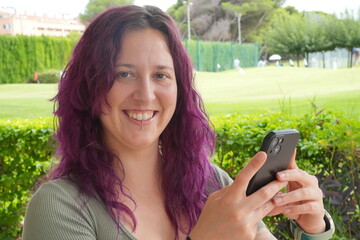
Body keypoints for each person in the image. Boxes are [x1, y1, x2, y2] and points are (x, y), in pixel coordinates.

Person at [22, 5, 335, 240]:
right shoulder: (59, 207)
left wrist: (313, 226)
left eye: (161, 75)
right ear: (90, 87)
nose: (145, 95)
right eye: (124, 74)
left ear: (180, 90)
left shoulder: (215, 184)